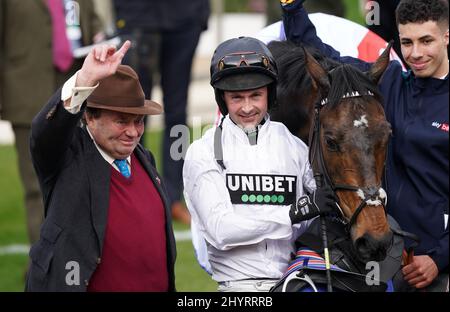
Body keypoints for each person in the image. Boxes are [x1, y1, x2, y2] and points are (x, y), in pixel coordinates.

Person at [279, 0, 448, 291]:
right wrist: (291, 7)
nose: (416, 53)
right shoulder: (389, 82)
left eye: (426, 41)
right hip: (387, 257)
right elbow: (318, 54)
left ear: (447, 36)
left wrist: (440, 258)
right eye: (407, 42)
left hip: (437, 267)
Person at [183, 36, 336, 292]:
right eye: (236, 97)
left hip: (295, 282)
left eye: (256, 95)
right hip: (237, 288)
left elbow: (324, 206)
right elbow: (221, 230)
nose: (247, 107)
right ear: (222, 99)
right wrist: (292, 213)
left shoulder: (296, 147)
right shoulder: (202, 152)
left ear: (270, 93)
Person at [25, 41, 176, 292]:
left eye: (138, 121)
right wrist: (85, 78)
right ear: (90, 116)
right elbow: (44, 133)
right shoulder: (67, 158)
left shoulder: (143, 158)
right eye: (121, 121)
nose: (132, 132)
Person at [0, 0, 103, 249]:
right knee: (36, 185)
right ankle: (44, 263)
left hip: (76, 88)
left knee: (82, 177)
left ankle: (83, 254)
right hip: (26, 89)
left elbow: (89, 17)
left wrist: (99, 34)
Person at [113, 0, 210, 225]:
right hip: (138, 17)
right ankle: (133, 188)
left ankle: (174, 195)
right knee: (133, 110)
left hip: (186, 18)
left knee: (178, 112)